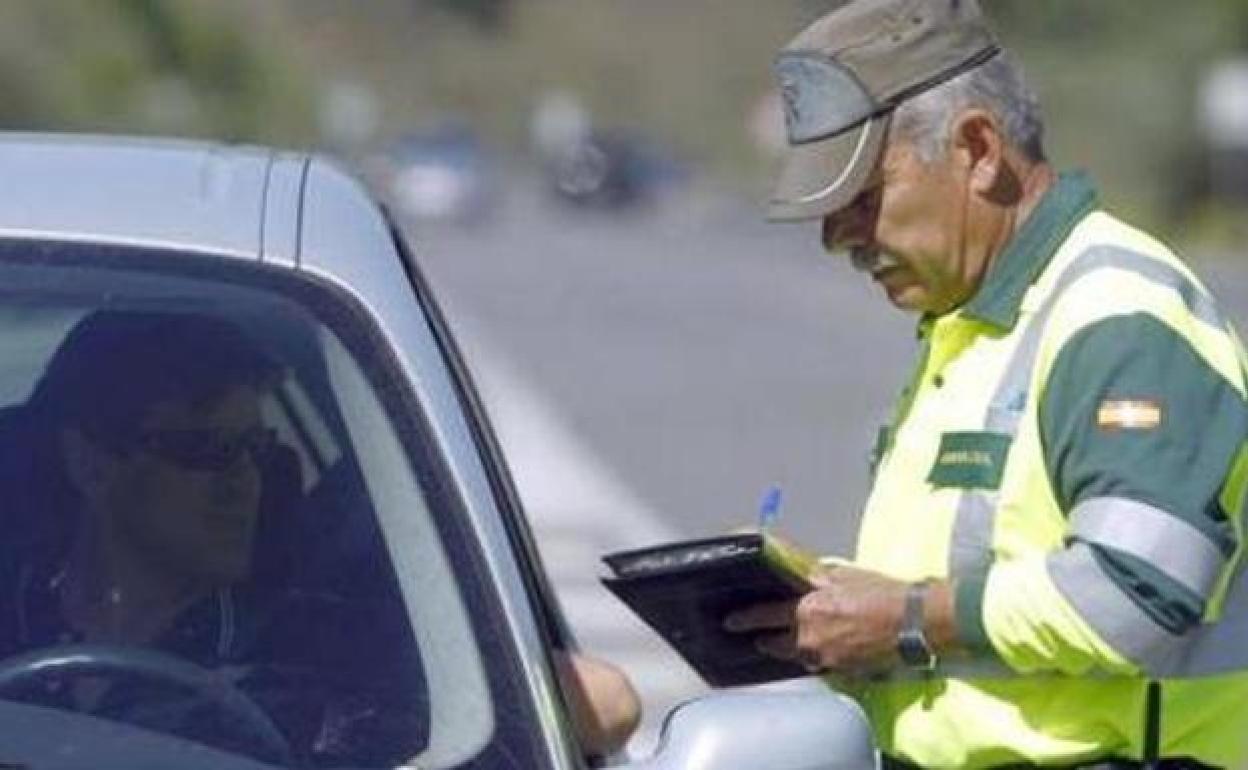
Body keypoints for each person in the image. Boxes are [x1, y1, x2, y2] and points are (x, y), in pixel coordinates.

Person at [725, 1, 1248, 768]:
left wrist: (902, 619)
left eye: (863, 199)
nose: (839, 239)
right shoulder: (969, 323)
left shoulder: (1119, 314)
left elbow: (1138, 593)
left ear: (977, 148)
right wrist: (837, 606)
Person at [0, 310, 425, 765]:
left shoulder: (318, 659)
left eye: (255, 448)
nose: (243, 479)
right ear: (92, 464)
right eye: (205, 449)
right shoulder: (10, 608)